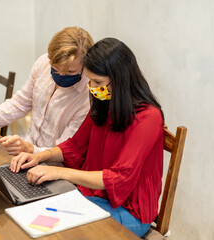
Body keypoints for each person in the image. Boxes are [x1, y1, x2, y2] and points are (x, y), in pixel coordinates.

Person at [10, 38, 164, 237]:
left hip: (130, 210)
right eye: (90, 80)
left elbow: (118, 178)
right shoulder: (106, 103)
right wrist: (39, 156)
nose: (91, 87)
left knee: (54, 228)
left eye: (98, 82)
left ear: (120, 78)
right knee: (34, 216)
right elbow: (74, 146)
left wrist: (60, 173)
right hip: (93, 195)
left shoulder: (149, 117)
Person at [0, 27, 94, 155]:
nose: (61, 75)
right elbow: (20, 103)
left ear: (85, 67)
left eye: (70, 72)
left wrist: (30, 150)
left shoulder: (87, 97)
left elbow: (64, 150)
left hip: (52, 166)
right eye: (56, 69)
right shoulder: (43, 63)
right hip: (26, 148)